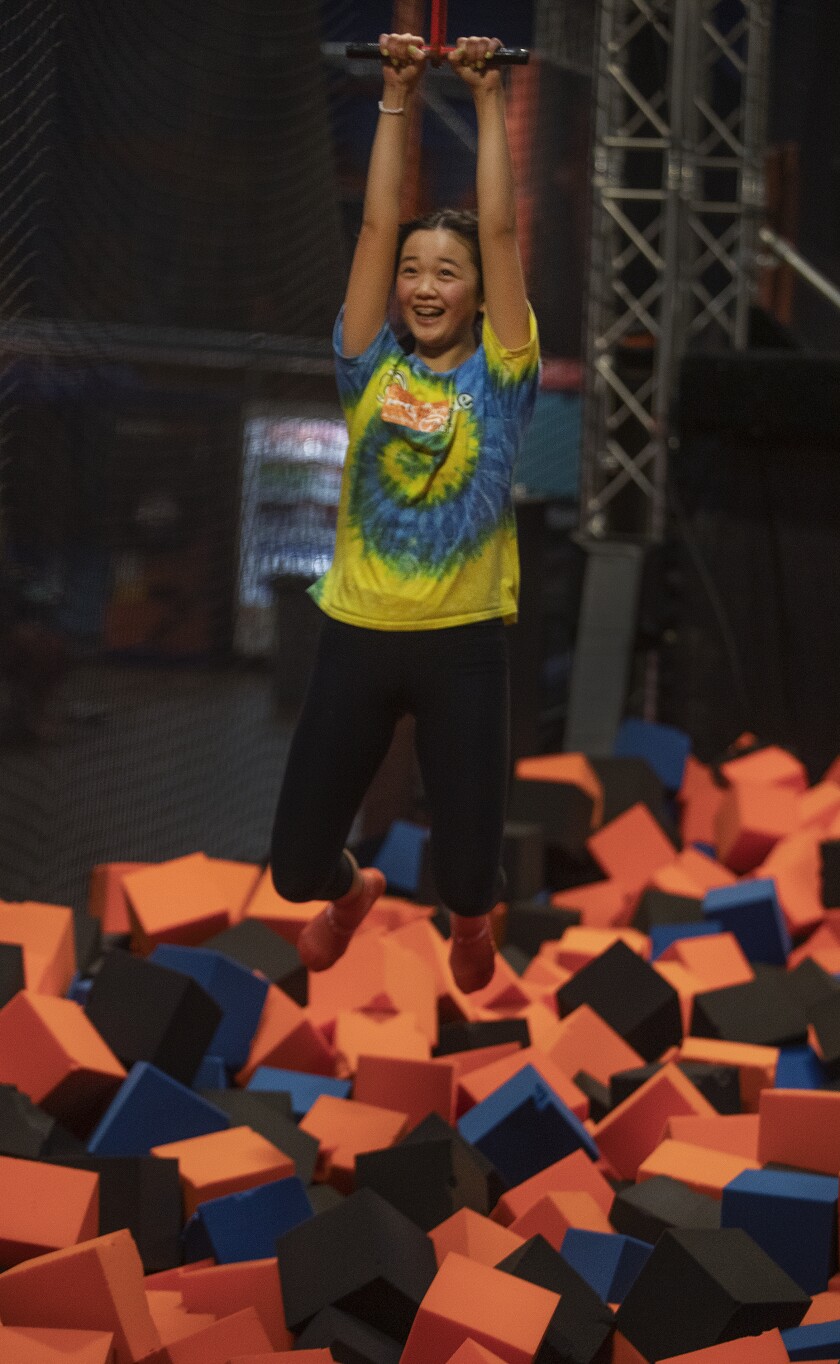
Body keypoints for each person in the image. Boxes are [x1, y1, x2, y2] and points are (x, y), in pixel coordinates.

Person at [270, 32, 540, 992]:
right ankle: (353, 892)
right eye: (416, 273)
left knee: (468, 877)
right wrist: (395, 92)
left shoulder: (503, 377)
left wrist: (484, 97)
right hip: (356, 636)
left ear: (476, 296)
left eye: (448, 274)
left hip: (463, 643)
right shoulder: (367, 365)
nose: (426, 285)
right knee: (294, 867)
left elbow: (503, 232)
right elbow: (376, 228)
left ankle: (471, 922)